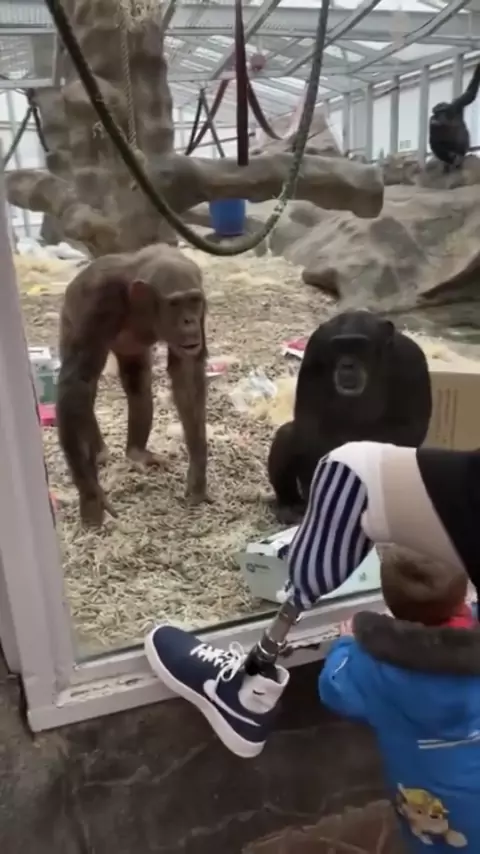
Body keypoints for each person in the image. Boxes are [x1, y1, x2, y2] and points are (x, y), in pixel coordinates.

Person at [145, 441, 480, 759]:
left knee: (349, 472)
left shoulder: (378, 673)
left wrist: (349, 643)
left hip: (421, 797)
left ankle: (248, 688)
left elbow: (335, 688)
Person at [319, 545, 480, 853]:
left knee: (435, 840)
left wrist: (345, 644)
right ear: (462, 597)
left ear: (391, 604)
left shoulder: (372, 669)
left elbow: (334, 687)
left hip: (431, 798)